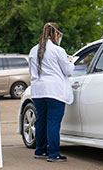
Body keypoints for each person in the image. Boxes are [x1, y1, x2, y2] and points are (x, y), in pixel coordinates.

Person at [28, 22, 75, 162]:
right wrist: (71, 62)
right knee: (53, 122)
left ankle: (40, 150)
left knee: (41, 121)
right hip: (54, 91)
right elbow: (68, 70)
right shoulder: (58, 50)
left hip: (38, 91)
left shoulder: (33, 50)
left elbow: (31, 71)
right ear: (55, 34)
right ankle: (53, 153)